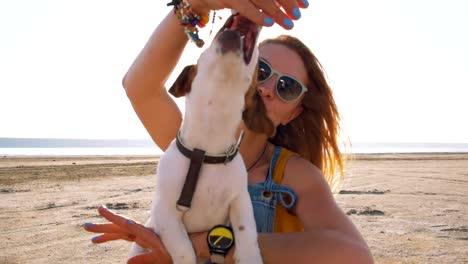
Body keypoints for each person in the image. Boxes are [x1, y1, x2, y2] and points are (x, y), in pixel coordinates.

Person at [84, 0, 374, 263]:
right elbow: (139, 87)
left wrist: (206, 244)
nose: (267, 89)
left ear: (294, 113)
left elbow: (356, 255)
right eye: (260, 70)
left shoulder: (290, 173)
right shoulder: (188, 143)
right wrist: (194, 5)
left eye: (287, 87)